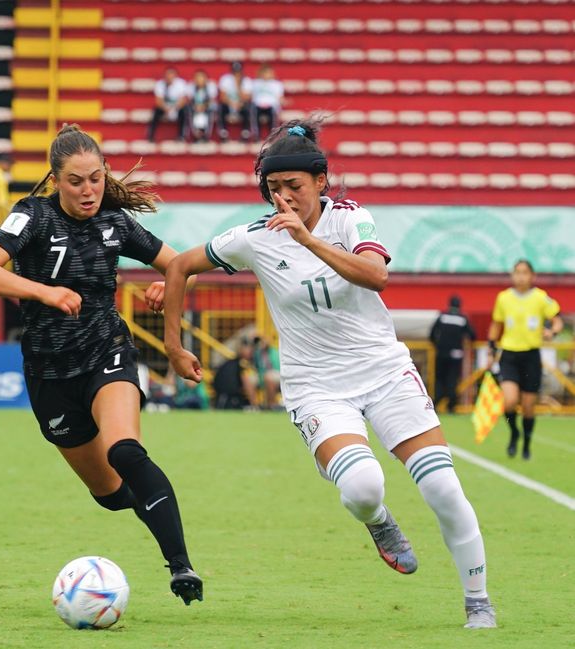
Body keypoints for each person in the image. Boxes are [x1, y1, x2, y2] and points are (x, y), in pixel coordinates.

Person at [162, 118, 495, 628]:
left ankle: (478, 602)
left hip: (383, 372)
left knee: (442, 488)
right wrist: (172, 345)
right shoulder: (254, 238)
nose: (284, 199)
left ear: (321, 181)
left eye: (294, 187)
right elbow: (179, 266)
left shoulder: (351, 219)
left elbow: (377, 275)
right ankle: (380, 523)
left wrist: (307, 240)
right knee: (363, 488)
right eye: (274, 189)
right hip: (316, 387)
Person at [0, 124, 202, 605]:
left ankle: (181, 566)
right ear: (55, 180)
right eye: (76, 181)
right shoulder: (30, 216)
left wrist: (169, 283)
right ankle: (152, 505)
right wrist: (43, 291)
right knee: (112, 493)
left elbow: (183, 267)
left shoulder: (116, 222)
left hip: (106, 349)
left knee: (126, 451)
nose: (89, 189)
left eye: (96, 178)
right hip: (48, 372)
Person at [487, 259, 562, 460]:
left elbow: (557, 320)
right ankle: (514, 433)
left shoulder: (540, 298)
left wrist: (551, 331)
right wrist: (491, 349)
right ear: (512, 275)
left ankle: (527, 443)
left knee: (529, 406)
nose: (520, 276)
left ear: (532, 276)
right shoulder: (503, 298)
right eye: (517, 272)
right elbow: (496, 325)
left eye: (524, 272)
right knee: (509, 401)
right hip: (509, 355)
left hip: (531, 355)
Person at [429, 295, 476, 413]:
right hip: (456, 353)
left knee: (439, 378)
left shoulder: (443, 316)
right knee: (452, 378)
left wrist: (438, 345)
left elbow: (432, 334)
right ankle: (451, 404)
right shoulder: (462, 318)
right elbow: (472, 335)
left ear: (449, 304)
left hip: (441, 352)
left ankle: (437, 402)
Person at [212, 338, 258, 409]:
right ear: (241, 349)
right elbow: (247, 382)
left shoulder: (230, 362)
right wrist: (254, 404)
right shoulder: (242, 363)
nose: (251, 351)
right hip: (231, 400)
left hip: (221, 398)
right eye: (248, 348)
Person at [146, 66, 189, 142]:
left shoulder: (181, 83)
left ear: (175, 76)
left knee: (184, 111)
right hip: (165, 107)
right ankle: (150, 135)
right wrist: (165, 108)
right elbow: (158, 101)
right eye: (167, 75)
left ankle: (181, 135)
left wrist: (174, 108)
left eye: (171, 75)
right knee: (156, 111)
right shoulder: (160, 84)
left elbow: (183, 100)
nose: (169, 77)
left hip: (176, 106)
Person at [217, 61, 253, 142]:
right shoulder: (225, 79)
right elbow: (222, 97)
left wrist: (238, 86)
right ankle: (223, 133)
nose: (236, 74)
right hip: (229, 104)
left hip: (241, 105)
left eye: (238, 71)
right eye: (235, 71)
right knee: (220, 107)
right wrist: (232, 104)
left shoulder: (247, 80)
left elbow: (247, 98)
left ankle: (245, 133)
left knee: (248, 107)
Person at [250, 64, 284, 140]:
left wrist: (283, 102)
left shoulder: (277, 84)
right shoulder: (255, 83)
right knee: (253, 110)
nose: (266, 75)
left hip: (271, 106)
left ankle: (272, 134)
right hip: (258, 105)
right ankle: (256, 135)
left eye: (268, 72)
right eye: (265, 72)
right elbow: (251, 96)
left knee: (273, 112)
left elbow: (280, 98)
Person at [187, 69, 218, 143]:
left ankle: (206, 135)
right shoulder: (190, 86)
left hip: (206, 106)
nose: (199, 80)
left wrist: (203, 106)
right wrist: (196, 106)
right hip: (195, 107)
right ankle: (196, 134)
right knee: (189, 110)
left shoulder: (211, 86)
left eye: (201, 77)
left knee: (211, 109)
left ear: (206, 79)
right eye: (197, 78)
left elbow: (212, 100)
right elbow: (189, 100)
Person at [252, 335, 282, 409]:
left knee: (268, 377)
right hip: (262, 375)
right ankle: (255, 406)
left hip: (277, 374)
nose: (261, 344)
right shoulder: (257, 353)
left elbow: (278, 368)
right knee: (247, 378)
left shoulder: (275, 352)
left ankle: (272, 405)